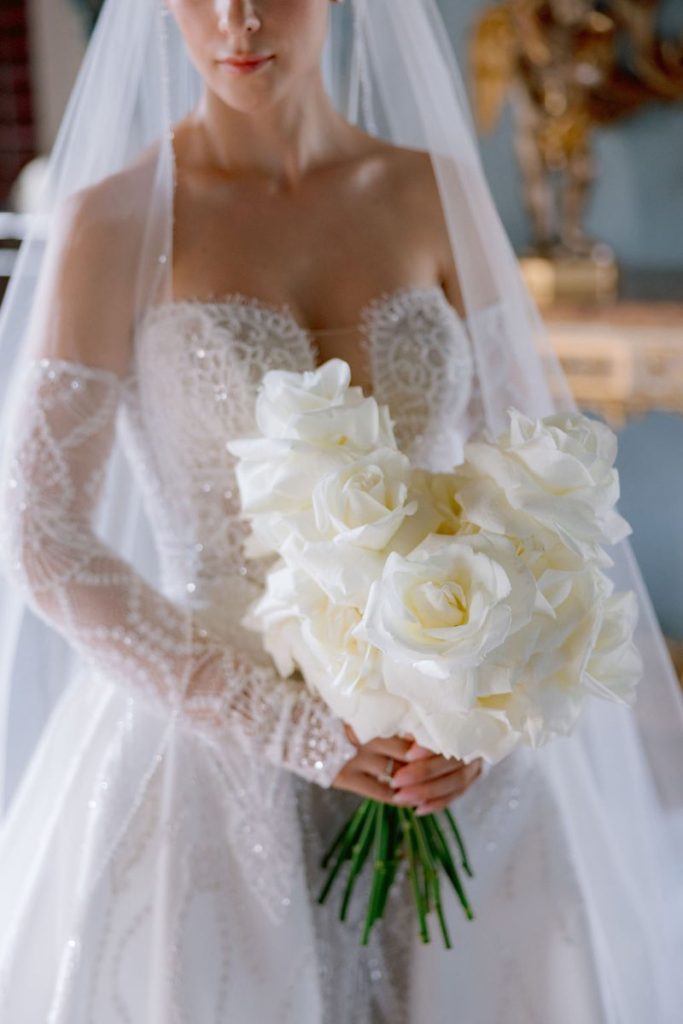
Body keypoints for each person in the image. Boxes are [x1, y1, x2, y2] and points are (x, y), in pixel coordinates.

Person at [0, 1, 680, 1021]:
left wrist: (481, 703)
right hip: (209, 754)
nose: (235, 19)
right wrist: (279, 722)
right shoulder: (117, 217)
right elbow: (42, 535)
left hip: (435, 745)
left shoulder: (428, 191)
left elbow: (539, 471)